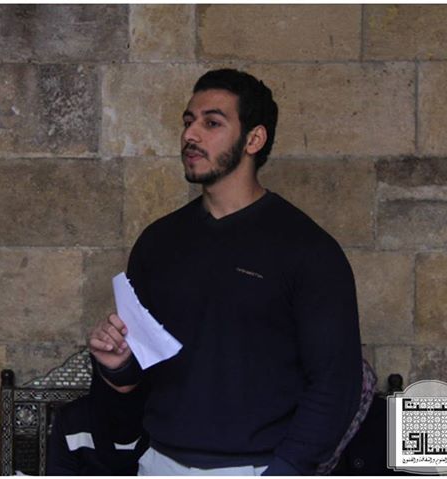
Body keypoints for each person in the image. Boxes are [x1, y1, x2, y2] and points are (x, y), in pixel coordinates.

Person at [88, 69, 363, 475]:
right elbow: (139, 376)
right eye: (188, 121)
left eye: (212, 123)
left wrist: (286, 470)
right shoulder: (157, 242)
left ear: (254, 139)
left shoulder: (308, 249)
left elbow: (336, 385)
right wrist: (115, 365)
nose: (190, 135)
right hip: (159, 463)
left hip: (257, 468)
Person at [47, 358, 149, 475]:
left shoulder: (162, 419)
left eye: (130, 357)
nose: (122, 369)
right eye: (112, 354)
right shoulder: (71, 419)